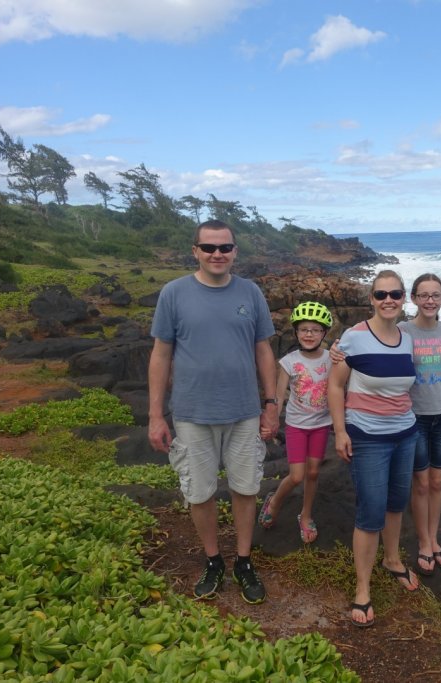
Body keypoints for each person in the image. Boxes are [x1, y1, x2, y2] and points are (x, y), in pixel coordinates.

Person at [148, 220, 279, 604]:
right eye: (209, 248)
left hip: (243, 412)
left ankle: (243, 560)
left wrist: (271, 405)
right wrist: (156, 415)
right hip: (191, 413)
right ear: (195, 251)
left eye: (224, 248)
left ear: (235, 251)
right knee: (199, 492)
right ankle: (212, 560)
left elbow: (263, 350)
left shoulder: (250, 292)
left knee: (246, 488)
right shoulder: (173, 293)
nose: (217, 255)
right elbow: (161, 354)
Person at [328, 270, 419, 628]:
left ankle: (392, 559)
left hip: (406, 432)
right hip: (366, 436)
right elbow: (336, 387)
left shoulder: (407, 336)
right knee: (370, 511)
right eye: (381, 295)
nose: (388, 300)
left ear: (402, 298)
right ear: (371, 299)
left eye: (395, 294)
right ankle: (362, 587)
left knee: (397, 503)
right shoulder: (352, 338)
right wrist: (339, 431)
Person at [257, 301, 334, 545]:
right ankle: (275, 500)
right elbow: (278, 396)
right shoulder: (288, 362)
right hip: (296, 426)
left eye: (315, 330)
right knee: (297, 475)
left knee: (313, 473)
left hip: (321, 424)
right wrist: (271, 421)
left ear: (324, 333)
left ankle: (306, 514)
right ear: (296, 332)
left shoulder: (333, 359)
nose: (309, 334)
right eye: (304, 329)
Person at [399, 273, 441, 576]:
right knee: (420, 483)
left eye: (435, 295)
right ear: (414, 299)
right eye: (424, 295)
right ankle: (423, 542)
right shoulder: (402, 330)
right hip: (416, 416)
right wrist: (339, 348)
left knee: (437, 482)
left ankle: (434, 539)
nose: (430, 300)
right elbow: (371, 337)